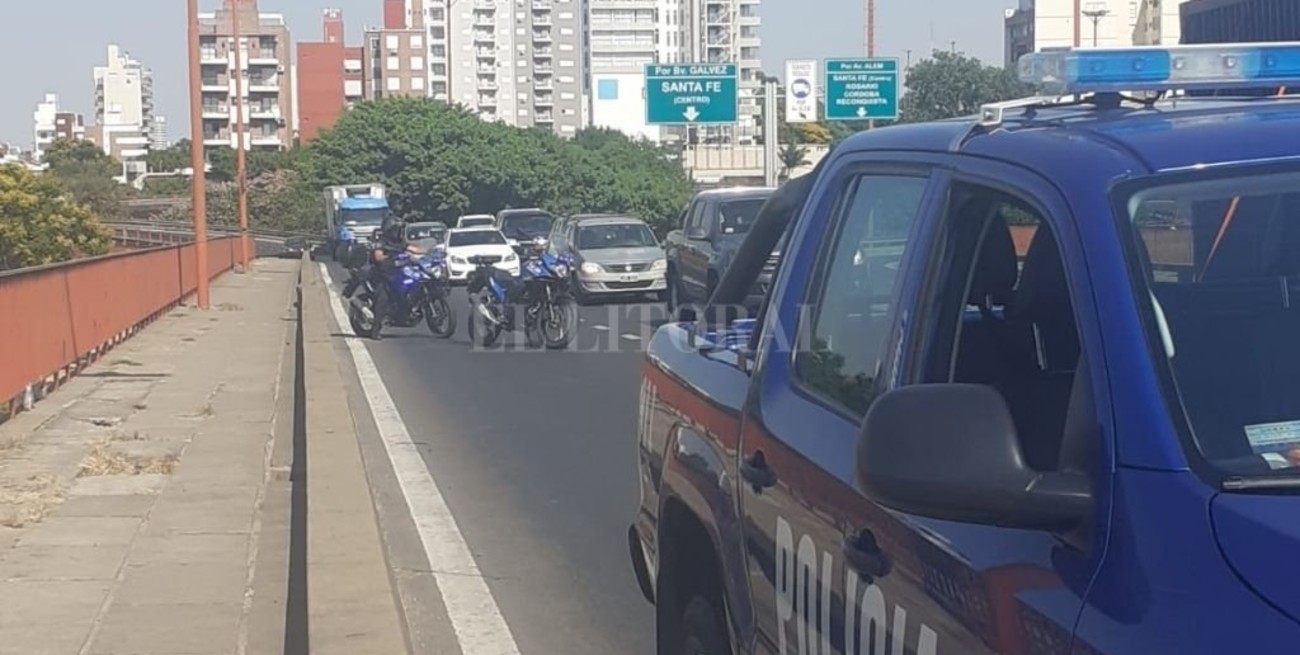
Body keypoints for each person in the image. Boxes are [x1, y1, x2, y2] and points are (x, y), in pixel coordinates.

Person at [365, 212, 426, 338]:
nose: (398, 232)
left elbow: (412, 248)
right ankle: (375, 330)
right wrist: (390, 257)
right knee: (383, 298)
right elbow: (378, 256)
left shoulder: (399, 241)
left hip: (396, 272)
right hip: (382, 275)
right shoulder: (381, 241)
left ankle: (405, 311)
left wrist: (427, 251)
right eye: (396, 229)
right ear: (390, 230)